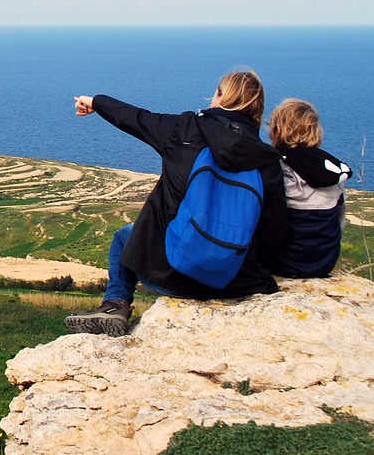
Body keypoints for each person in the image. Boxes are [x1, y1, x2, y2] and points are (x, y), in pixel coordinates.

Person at [64, 70, 289, 337]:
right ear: (258, 109)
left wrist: (96, 102)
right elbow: (274, 231)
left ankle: (116, 304)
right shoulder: (267, 159)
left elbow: (136, 118)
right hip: (235, 283)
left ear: (219, 95)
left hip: (172, 275)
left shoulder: (183, 129)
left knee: (124, 237)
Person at [261, 98, 351, 278]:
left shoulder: (275, 166)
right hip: (324, 263)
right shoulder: (331, 170)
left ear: (277, 130)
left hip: (282, 263)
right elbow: (339, 218)